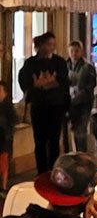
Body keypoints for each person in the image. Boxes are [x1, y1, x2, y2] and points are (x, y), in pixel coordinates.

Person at [17, 32, 70, 175]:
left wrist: (52, 84)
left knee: (54, 139)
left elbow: (65, 82)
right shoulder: (30, 63)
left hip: (55, 106)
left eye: (53, 44)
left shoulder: (59, 62)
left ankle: (53, 169)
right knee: (39, 140)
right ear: (40, 46)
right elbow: (24, 80)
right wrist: (34, 85)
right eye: (48, 44)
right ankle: (41, 170)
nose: (51, 47)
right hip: (38, 105)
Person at [66, 40, 96, 154]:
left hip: (83, 103)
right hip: (70, 103)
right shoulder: (65, 65)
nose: (74, 53)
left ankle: (82, 153)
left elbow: (91, 84)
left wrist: (81, 94)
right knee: (73, 128)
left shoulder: (87, 67)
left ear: (81, 51)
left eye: (76, 51)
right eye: (72, 51)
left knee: (81, 129)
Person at [0, 82, 14, 193]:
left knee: (3, 164)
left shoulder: (8, 107)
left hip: (4, 139)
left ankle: (3, 187)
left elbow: (13, 121)